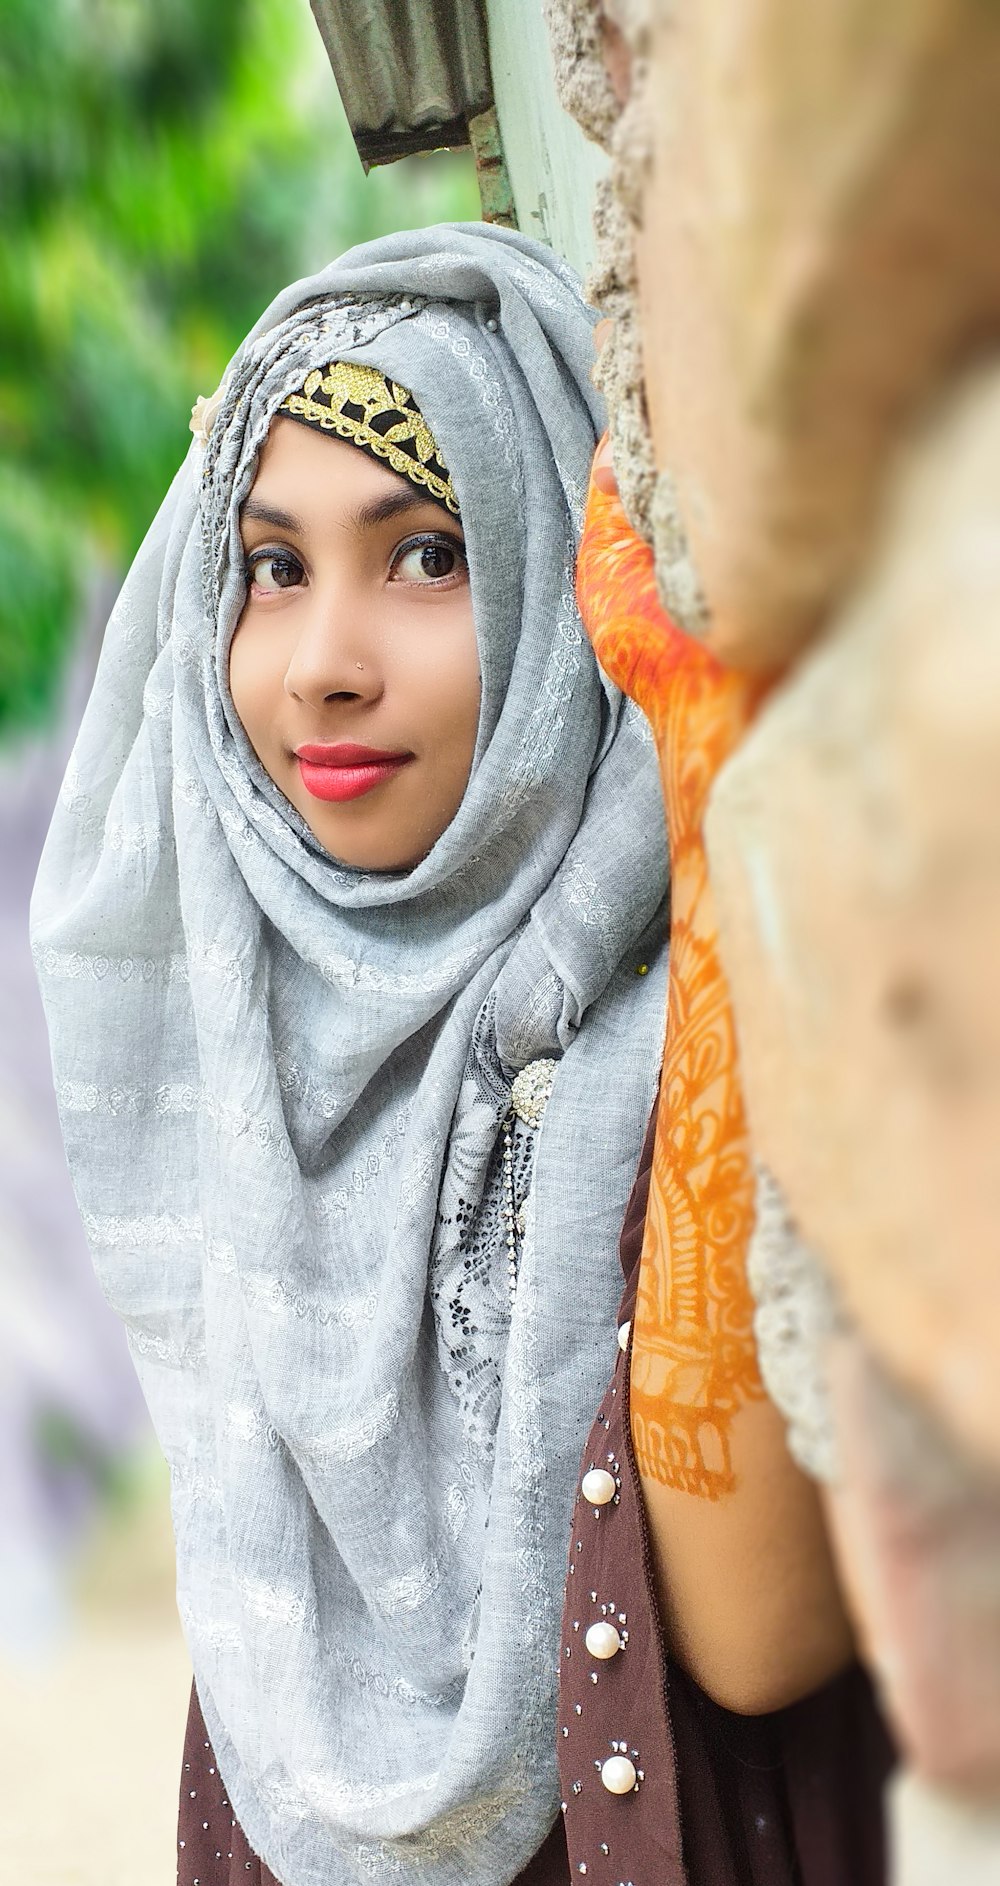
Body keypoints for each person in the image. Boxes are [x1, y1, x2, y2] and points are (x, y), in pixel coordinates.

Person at [33, 225, 889, 1886]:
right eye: (272, 567)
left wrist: (711, 788)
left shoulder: (706, 1001)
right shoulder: (255, 1068)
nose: (324, 662)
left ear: (570, 580)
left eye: (429, 554)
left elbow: (758, 1634)